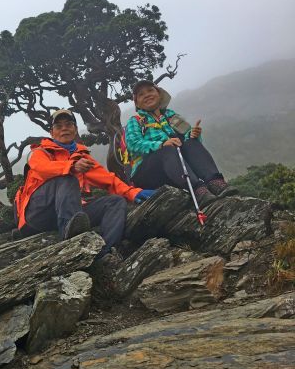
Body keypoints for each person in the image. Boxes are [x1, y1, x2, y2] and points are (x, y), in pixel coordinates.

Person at [14, 109, 155, 256]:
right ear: (52, 133)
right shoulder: (41, 152)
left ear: (75, 130)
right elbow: (42, 168)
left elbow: (108, 180)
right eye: (59, 126)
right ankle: (71, 237)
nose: (64, 129)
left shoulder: (82, 157)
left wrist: (133, 192)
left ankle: (106, 252)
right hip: (38, 213)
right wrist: (71, 167)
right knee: (67, 178)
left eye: (69, 125)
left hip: (68, 211)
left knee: (116, 202)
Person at [125, 80, 237, 207]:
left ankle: (215, 182)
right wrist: (161, 144)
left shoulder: (172, 116)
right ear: (137, 103)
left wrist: (194, 134)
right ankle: (198, 190)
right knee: (167, 150)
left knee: (190, 143)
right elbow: (133, 144)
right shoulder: (135, 121)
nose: (147, 95)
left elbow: (187, 137)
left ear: (159, 94)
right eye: (141, 94)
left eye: (150, 90)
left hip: (175, 169)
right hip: (147, 173)